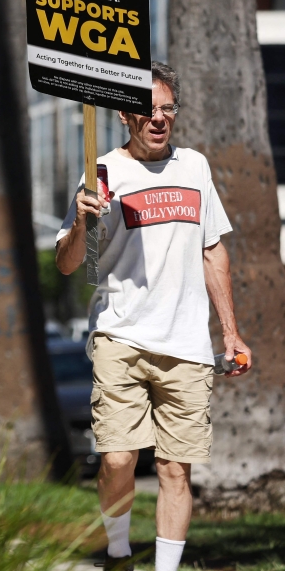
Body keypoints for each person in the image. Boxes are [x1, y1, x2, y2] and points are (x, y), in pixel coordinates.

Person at [54, 62, 252, 571]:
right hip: (120, 334)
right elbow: (69, 263)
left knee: (173, 469)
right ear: (125, 113)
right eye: (149, 109)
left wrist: (229, 332)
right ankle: (119, 550)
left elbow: (213, 251)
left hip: (186, 343)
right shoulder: (100, 171)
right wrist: (81, 219)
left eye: (168, 109)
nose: (159, 119)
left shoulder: (196, 167)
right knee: (118, 458)